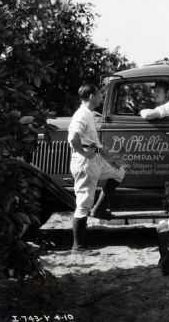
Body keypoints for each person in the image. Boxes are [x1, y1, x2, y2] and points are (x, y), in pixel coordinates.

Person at [68, 84, 125, 254]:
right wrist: (84, 152)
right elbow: (72, 137)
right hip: (85, 162)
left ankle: (99, 207)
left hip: (95, 159)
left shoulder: (89, 114)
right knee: (83, 203)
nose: (101, 98)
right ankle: (78, 246)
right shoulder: (82, 115)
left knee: (119, 171)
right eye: (99, 95)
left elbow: (97, 145)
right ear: (92, 96)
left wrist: (110, 160)